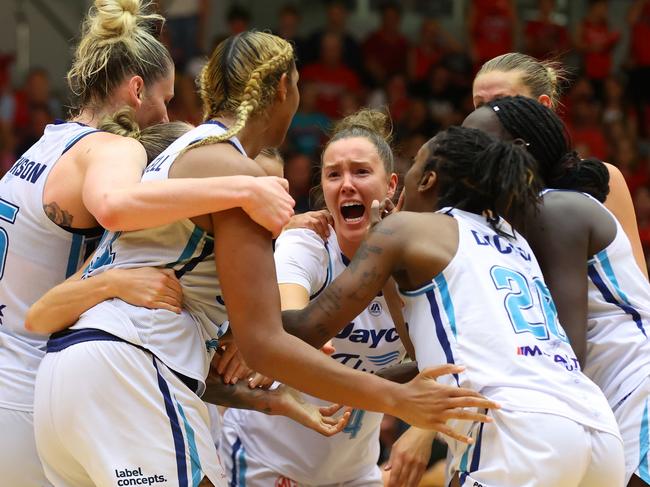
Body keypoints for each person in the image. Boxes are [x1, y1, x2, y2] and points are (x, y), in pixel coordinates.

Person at [31, 31, 498, 486]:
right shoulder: (237, 174)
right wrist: (397, 399)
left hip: (65, 376)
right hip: (131, 369)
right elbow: (265, 347)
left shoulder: (179, 150)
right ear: (283, 88)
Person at [0, 1, 297, 485]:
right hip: (35, 388)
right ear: (137, 90)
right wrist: (244, 187)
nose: (167, 113)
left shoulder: (43, 146)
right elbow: (117, 205)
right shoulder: (114, 148)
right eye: (166, 97)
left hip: (24, 378)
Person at [281, 125, 625, 486]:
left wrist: (238, 322)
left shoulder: (405, 229)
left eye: (413, 168)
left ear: (427, 180)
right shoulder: (511, 236)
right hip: (595, 425)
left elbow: (306, 329)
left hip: (517, 429)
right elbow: (426, 355)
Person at [219, 109, 433, 487]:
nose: (346, 184)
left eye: (361, 172)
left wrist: (422, 429)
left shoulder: (419, 260)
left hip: (354, 472)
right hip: (267, 464)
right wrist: (302, 341)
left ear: (392, 185)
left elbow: (432, 360)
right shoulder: (306, 242)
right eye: (334, 174)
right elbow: (287, 319)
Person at [463, 95, 650, 487]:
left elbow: (566, 351)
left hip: (637, 382)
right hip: (601, 395)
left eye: (473, 142)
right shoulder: (503, 224)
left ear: (516, 152)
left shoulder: (556, 209)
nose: (461, 153)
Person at [471, 52, 648, 278]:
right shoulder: (474, 190)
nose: (488, 116)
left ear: (543, 105)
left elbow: (639, 277)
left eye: (501, 102)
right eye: (480, 106)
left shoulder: (602, 178)